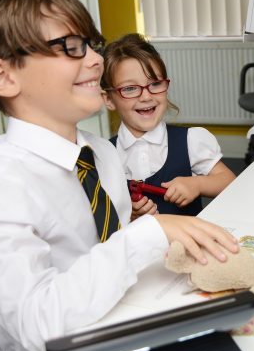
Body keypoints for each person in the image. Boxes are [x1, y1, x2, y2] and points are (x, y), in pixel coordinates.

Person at [0, 0, 238, 351]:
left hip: (125, 318)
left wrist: (139, 227)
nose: (97, 60)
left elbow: (105, 250)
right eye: (70, 47)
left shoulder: (101, 153)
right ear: (5, 77)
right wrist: (147, 233)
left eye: (92, 44)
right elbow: (40, 326)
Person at [101, 34, 236, 217]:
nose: (146, 96)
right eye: (130, 88)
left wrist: (197, 184)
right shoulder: (104, 154)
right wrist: (127, 213)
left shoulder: (190, 141)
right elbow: (102, 213)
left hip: (187, 244)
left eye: (154, 84)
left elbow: (229, 181)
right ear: (108, 99)